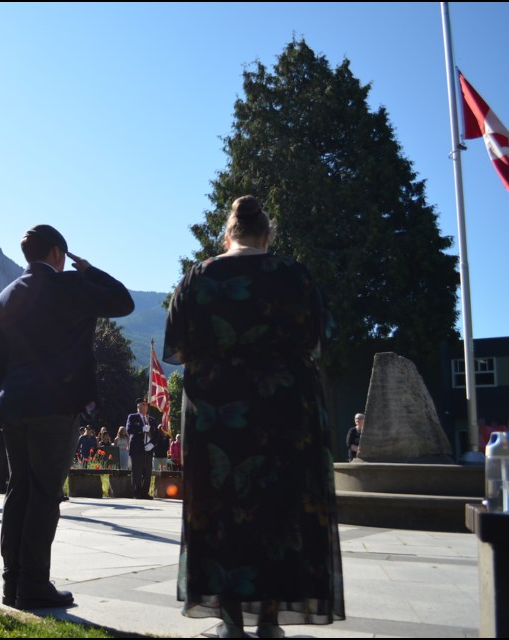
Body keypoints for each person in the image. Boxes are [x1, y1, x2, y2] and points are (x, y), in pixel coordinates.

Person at [163, 195, 344, 636]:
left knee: (221, 509)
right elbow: (320, 337)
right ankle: (268, 621)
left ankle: (229, 623)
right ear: (267, 235)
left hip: (217, 415)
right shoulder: (295, 276)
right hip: (285, 413)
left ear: (228, 234)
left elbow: (178, 349)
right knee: (279, 510)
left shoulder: (198, 278)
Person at [0, 223, 134, 610]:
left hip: (12, 406)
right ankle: (34, 584)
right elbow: (123, 302)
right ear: (57, 253)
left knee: (18, 492)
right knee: (45, 494)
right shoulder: (70, 285)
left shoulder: (4, 297)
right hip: (54, 406)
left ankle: (12, 582)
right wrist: (88, 270)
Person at [126, 399, 158, 499]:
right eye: (142, 405)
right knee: (137, 472)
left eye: (146, 405)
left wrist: (152, 444)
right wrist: (141, 429)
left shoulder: (152, 419)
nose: (145, 406)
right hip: (137, 449)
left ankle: (145, 492)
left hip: (148, 449)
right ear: (138, 407)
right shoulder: (132, 417)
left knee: (147, 472)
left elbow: (156, 435)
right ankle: (136, 492)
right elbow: (129, 429)